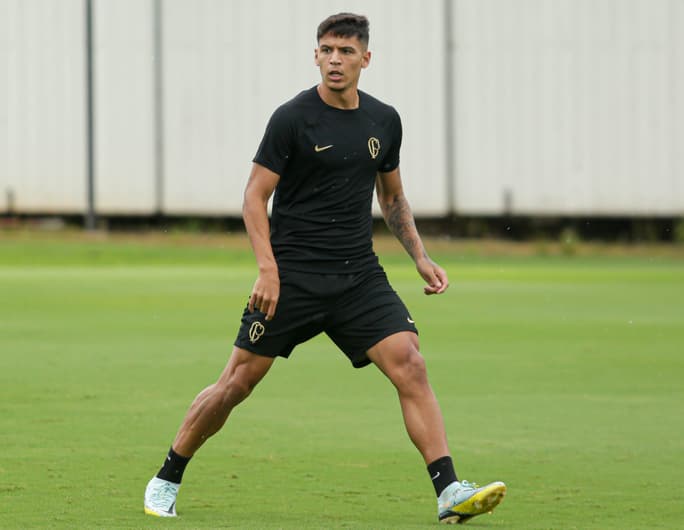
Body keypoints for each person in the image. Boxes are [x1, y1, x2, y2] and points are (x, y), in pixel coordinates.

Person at [144, 12, 506, 524]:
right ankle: (167, 476)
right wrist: (267, 270)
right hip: (292, 277)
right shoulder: (292, 118)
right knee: (235, 384)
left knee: (411, 363)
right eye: (327, 50)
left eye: (346, 52)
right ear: (316, 55)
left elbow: (393, 197)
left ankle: (448, 490)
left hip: (358, 276)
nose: (335, 60)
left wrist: (420, 256)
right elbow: (253, 197)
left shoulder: (384, 120)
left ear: (366, 59)